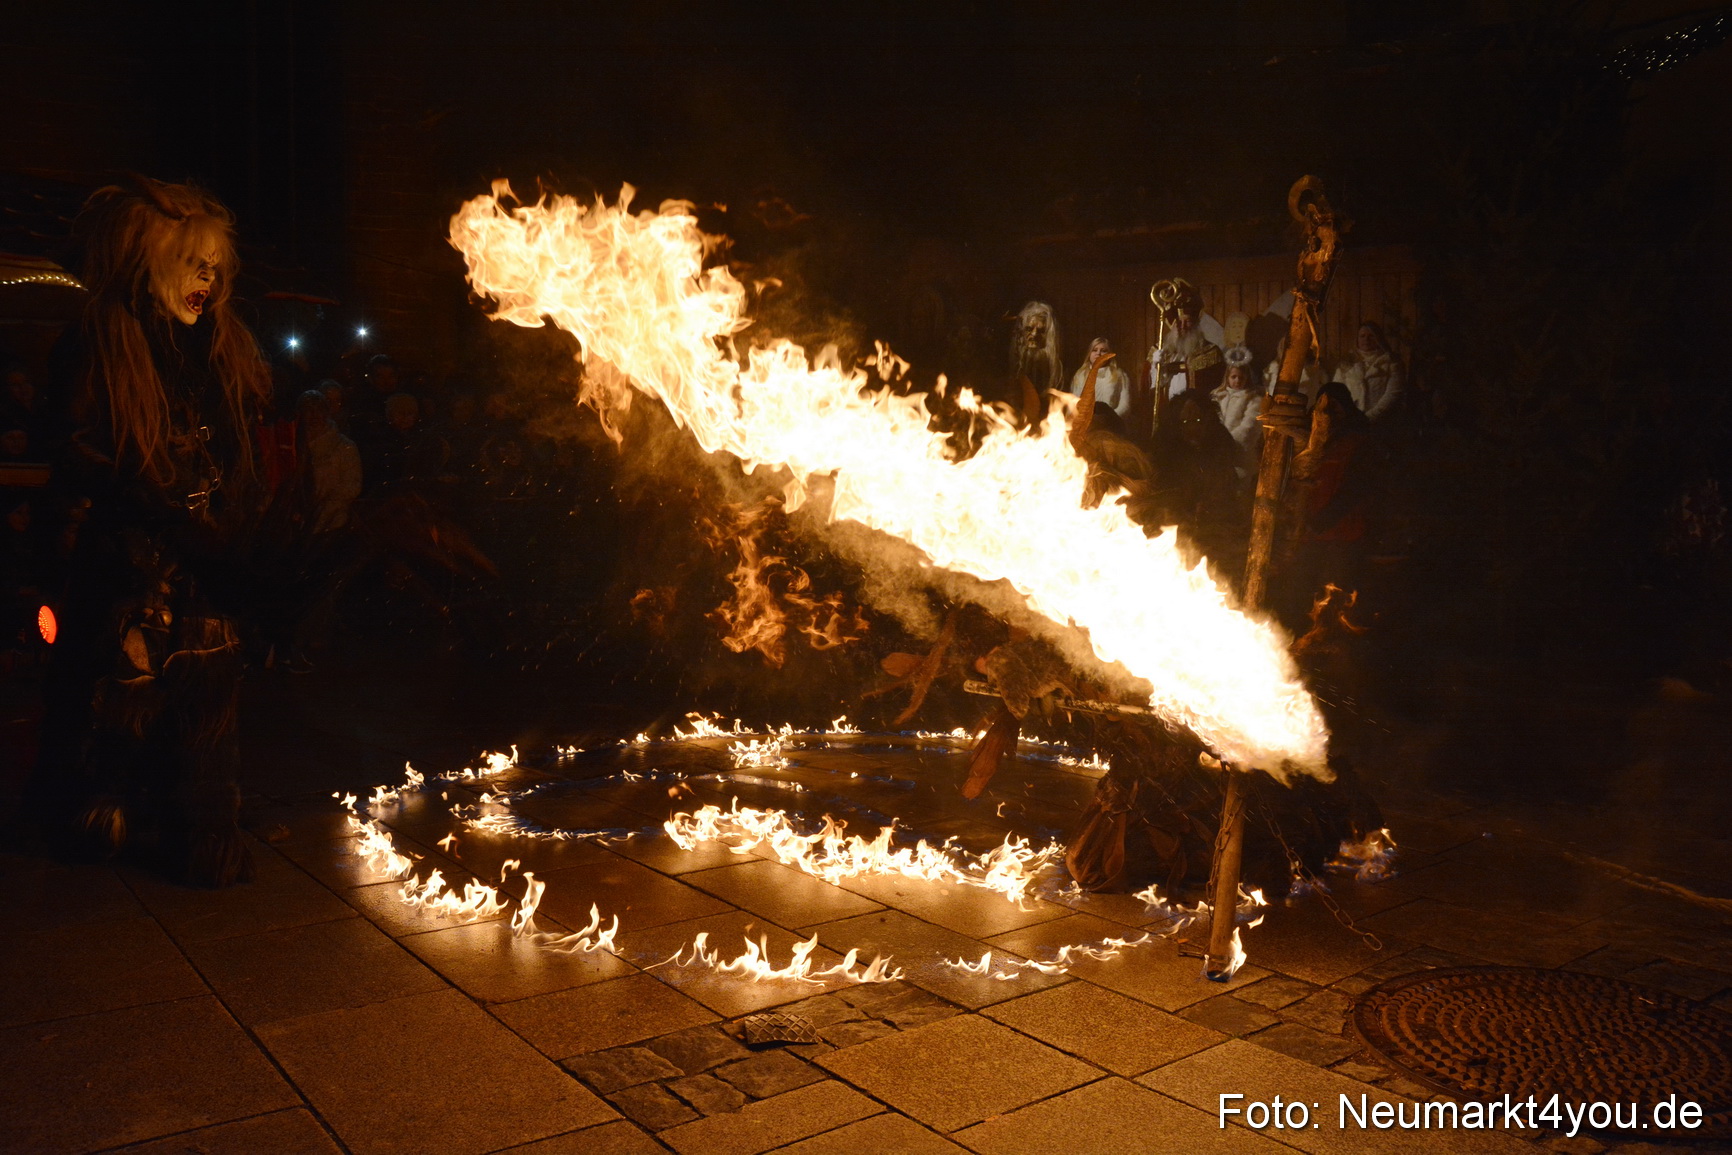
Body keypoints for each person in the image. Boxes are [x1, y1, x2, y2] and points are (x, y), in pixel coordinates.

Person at [32, 177, 272, 886]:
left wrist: (236, 535)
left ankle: (198, 820)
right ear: (148, 262)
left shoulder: (219, 348)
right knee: (106, 735)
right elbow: (78, 448)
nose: (207, 278)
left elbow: (236, 458)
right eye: (191, 262)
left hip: (201, 579)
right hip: (129, 572)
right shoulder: (101, 340)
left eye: (214, 265)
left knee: (205, 783)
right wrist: (158, 514)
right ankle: (99, 810)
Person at [297, 389, 362, 534]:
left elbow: (352, 485)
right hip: (297, 522)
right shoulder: (292, 446)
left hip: (332, 523)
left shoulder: (344, 447)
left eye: (319, 409)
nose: (314, 414)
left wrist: (325, 505)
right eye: (308, 410)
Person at [1333, 321, 1403, 421]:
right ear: (1357, 339)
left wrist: (1370, 416)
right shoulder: (1346, 364)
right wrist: (1349, 414)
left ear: (1378, 338)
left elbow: (1392, 394)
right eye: (1362, 336)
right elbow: (1337, 391)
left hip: (1382, 421)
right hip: (1351, 421)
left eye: (1371, 336)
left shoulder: (1391, 363)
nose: (1366, 339)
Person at [1068, 337, 1137, 436]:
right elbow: (1073, 403)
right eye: (1094, 350)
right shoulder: (1080, 375)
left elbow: (1125, 405)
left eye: (1103, 351)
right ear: (1089, 353)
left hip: (1113, 426)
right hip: (1087, 427)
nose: (1098, 354)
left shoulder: (1119, 375)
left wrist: (1108, 419)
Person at [1212, 362, 1263, 453]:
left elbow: (1249, 426)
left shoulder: (1253, 399)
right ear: (1227, 378)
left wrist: (1229, 443)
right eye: (1233, 377)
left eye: (1241, 377)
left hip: (1239, 450)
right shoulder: (1218, 396)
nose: (1237, 380)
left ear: (1247, 378)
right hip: (1216, 448)